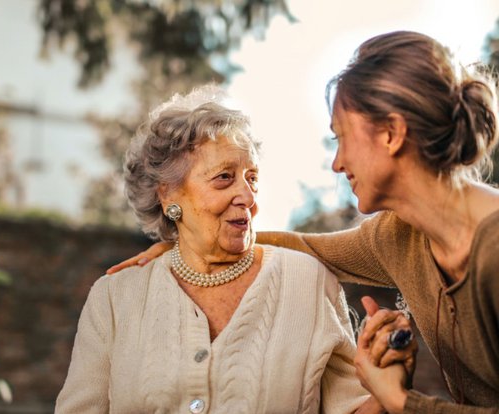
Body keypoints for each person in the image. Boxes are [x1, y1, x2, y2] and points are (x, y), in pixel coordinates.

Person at [107, 31, 499, 413]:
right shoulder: (398, 237)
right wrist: (191, 239)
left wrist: (400, 401)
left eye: (341, 138)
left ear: (392, 134)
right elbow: (307, 247)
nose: (338, 163)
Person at [56, 85, 382, 413]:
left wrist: (388, 389)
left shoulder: (308, 282)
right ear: (168, 195)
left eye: (252, 178)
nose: (248, 196)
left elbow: (350, 407)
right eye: (224, 178)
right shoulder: (114, 298)